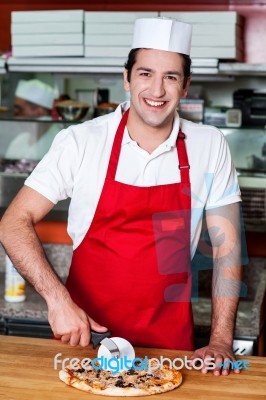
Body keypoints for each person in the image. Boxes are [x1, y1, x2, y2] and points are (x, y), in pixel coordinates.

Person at [0, 17, 244, 376]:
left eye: (171, 76)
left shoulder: (209, 145)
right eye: (145, 74)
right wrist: (57, 301)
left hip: (169, 346)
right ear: (127, 78)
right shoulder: (82, 142)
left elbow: (228, 247)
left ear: (186, 85)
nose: (157, 89)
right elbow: (13, 222)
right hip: (86, 341)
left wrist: (222, 339)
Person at [5, 79, 59, 160]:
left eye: (20, 109)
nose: (16, 115)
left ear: (39, 111)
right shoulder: (19, 141)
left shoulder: (59, 141)